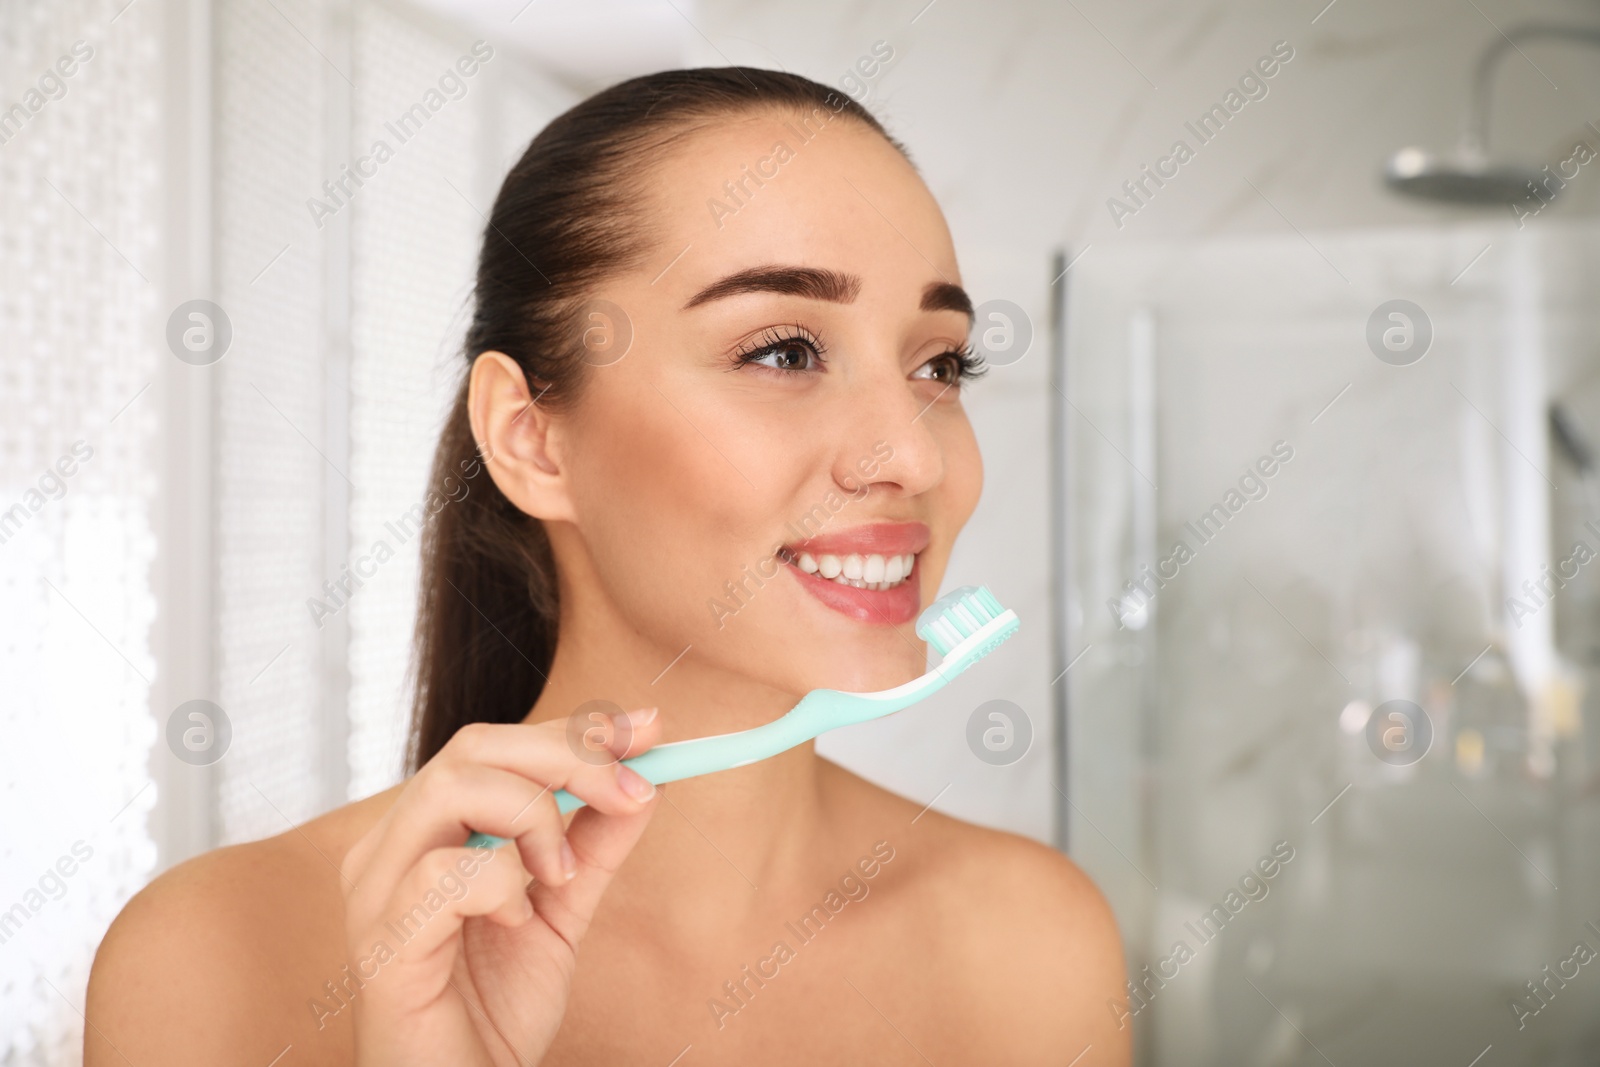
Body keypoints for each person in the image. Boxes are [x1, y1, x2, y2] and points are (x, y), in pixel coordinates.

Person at [85, 67, 1128, 1065]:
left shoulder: (1034, 943)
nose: (911, 453)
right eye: (783, 351)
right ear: (533, 439)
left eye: (937, 363)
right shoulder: (210, 962)